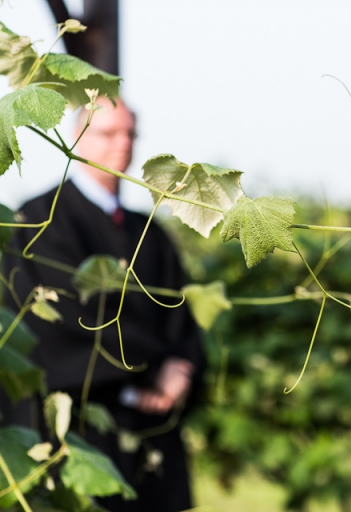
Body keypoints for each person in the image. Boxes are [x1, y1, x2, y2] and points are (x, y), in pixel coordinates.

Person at [0, 98, 205, 511]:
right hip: (78, 430)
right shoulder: (38, 221)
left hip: (151, 435)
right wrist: (149, 372)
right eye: (108, 132)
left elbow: (180, 320)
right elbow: (56, 323)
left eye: (130, 133)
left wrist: (180, 370)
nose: (122, 143)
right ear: (77, 136)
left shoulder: (150, 232)